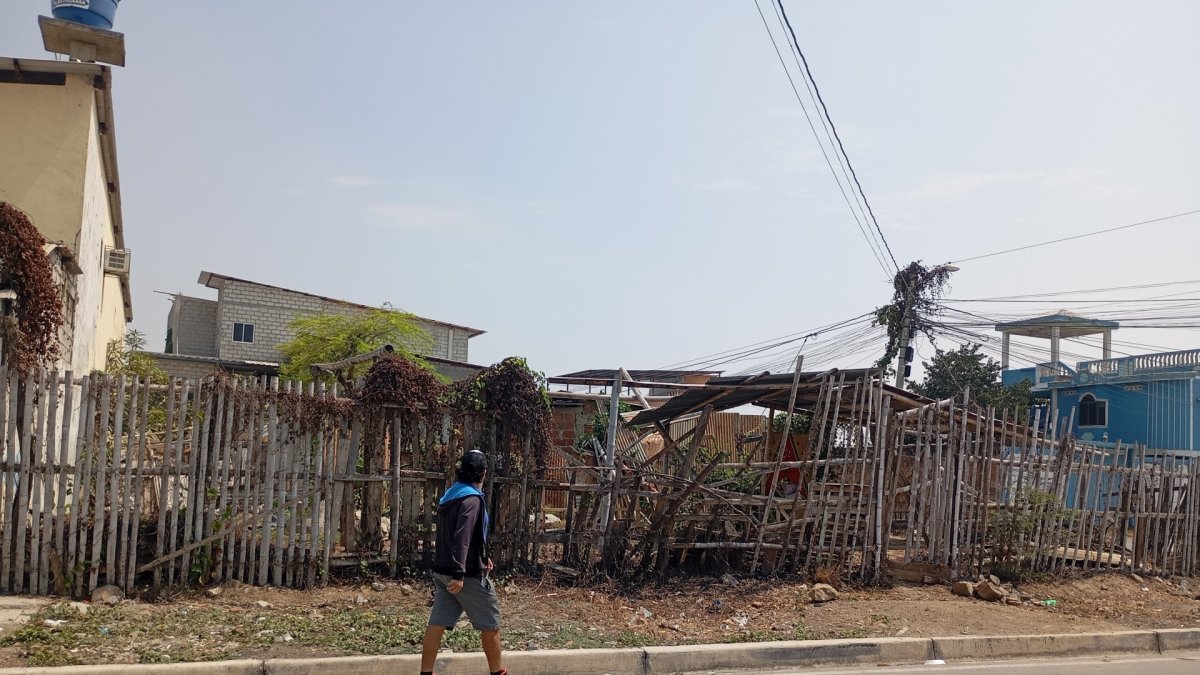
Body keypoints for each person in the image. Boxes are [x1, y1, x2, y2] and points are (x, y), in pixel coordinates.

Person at [420, 449, 507, 675]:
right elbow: (462, 537)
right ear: (483, 473)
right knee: (491, 623)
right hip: (464, 576)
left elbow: (459, 537)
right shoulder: (472, 500)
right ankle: (497, 672)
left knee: (437, 624)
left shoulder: (452, 494)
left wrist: (482, 557)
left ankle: (426, 672)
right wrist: (459, 573)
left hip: (443, 572)